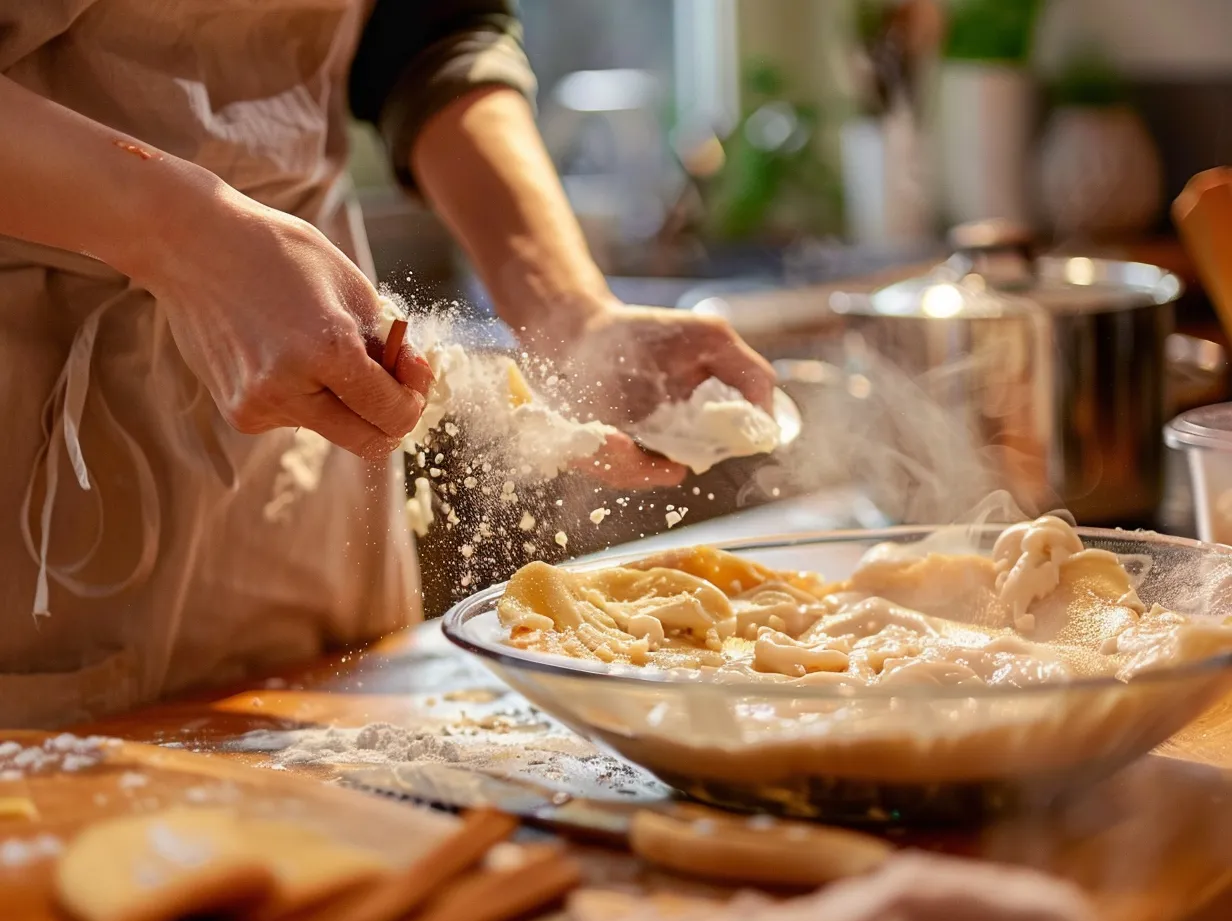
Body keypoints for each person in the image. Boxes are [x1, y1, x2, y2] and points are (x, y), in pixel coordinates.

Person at [0, 2, 775, 727]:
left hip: (302, 445)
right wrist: (180, 235)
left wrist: (572, 312)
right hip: (32, 420)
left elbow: (432, 33)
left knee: (335, 770)